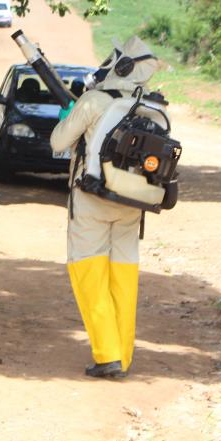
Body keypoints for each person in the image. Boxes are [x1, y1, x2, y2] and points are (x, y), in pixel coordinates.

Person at [50, 36, 160, 379]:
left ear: (121, 65)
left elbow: (58, 142)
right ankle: (123, 356)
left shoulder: (95, 100)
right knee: (123, 277)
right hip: (132, 202)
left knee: (88, 272)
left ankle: (107, 354)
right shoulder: (154, 107)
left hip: (91, 197)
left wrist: (71, 113)